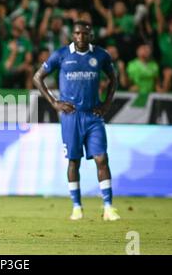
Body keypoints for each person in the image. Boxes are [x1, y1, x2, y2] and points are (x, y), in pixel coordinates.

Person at [33, 20, 120, 221]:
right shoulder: (61, 54)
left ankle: (108, 207)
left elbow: (114, 78)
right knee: (74, 161)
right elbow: (38, 77)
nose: (81, 37)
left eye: (85, 34)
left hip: (93, 116)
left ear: (91, 36)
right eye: (77, 33)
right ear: (73, 35)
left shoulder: (100, 55)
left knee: (101, 158)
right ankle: (77, 207)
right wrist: (54, 102)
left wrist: (107, 104)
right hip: (71, 117)